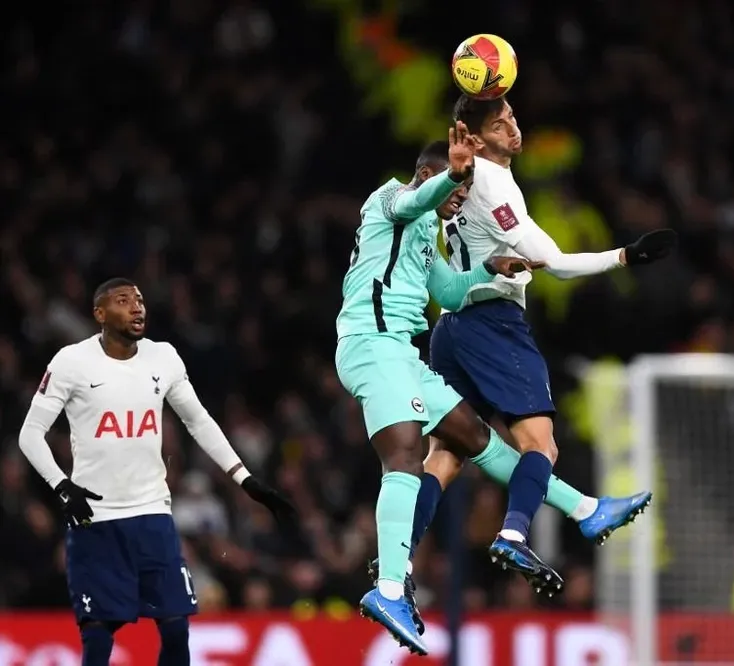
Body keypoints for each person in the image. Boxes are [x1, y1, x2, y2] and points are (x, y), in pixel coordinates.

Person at [418, 94, 668, 589]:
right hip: (493, 322)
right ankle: (514, 533)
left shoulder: (463, 180)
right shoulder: (492, 185)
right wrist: (623, 257)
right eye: (498, 122)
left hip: (450, 327)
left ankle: (397, 555)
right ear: (476, 136)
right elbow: (552, 262)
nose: (512, 126)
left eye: (511, 115)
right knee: (541, 446)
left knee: (444, 456)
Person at [336, 126, 559, 655]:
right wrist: (454, 176)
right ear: (429, 173)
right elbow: (418, 198)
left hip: (399, 353)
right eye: (455, 192)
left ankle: (583, 509)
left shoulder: (422, 238)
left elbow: (450, 292)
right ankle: (390, 586)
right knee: (407, 457)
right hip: (373, 344)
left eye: (461, 195)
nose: (456, 202)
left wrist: (490, 268)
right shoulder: (390, 198)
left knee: (473, 437)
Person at [17, 278, 295, 666]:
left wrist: (243, 478)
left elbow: (198, 421)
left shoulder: (163, 358)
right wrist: (63, 487)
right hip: (95, 519)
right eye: (123, 300)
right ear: (100, 314)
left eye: (140, 300)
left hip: (152, 514)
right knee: (97, 636)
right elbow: (30, 435)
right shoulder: (71, 362)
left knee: (177, 627)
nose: (137, 307)